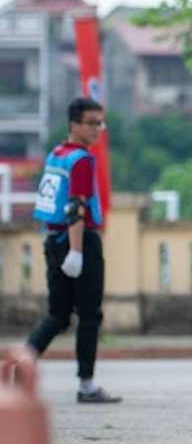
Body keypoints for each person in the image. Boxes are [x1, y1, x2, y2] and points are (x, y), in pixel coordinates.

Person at [27, 97, 121, 403]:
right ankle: (87, 385)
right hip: (77, 240)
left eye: (100, 123)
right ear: (75, 124)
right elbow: (76, 207)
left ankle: (16, 368)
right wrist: (77, 251)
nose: (98, 130)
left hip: (52, 239)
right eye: (92, 123)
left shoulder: (57, 154)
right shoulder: (81, 159)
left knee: (58, 315)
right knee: (89, 315)